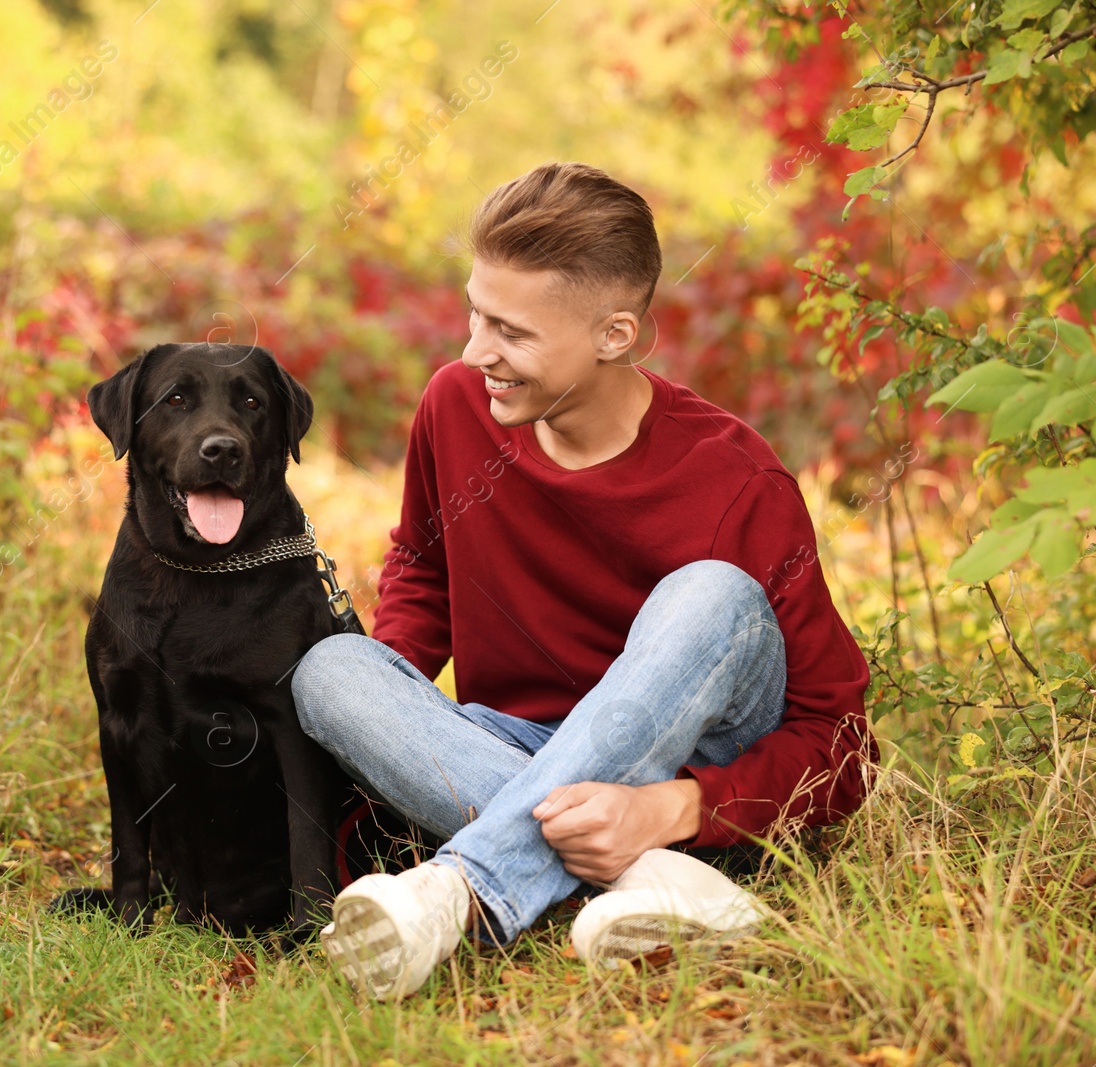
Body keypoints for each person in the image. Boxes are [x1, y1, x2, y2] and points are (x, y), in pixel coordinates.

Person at [292, 161, 875, 1000]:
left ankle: (457, 889)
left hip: (690, 773)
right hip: (515, 743)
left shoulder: (736, 481)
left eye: (511, 333)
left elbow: (842, 745)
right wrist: (397, 717)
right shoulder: (455, 407)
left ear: (616, 336)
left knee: (710, 590)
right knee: (332, 670)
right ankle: (655, 880)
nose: (474, 352)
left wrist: (672, 808)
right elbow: (422, 566)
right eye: (475, 314)